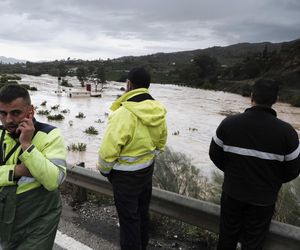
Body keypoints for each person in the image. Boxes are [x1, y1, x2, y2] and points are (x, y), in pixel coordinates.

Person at [209, 79, 300, 250]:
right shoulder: (287, 132)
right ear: (276, 100)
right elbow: (293, 169)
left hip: (232, 193)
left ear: (251, 97)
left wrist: (231, 172)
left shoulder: (229, 123)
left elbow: (214, 154)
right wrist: (271, 181)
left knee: (226, 238)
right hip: (264, 199)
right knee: (253, 243)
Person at [98, 67, 167, 250]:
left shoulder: (123, 113)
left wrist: (105, 171)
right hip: (146, 172)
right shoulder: (158, 109)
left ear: (129, 84)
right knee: (142, 216)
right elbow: (161, 142)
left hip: (125, 178)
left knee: (129, 222)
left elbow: (108, 150)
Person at [0, 84, 67, 250]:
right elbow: (22, 172)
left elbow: (54, 180)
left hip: (39, 218)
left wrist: (27, 145)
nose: (8, 120)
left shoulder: (50, 135)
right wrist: (16, 171)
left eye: (16, 113)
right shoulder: (1, 134)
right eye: (2, 113)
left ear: (31, 111)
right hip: (5, 215)